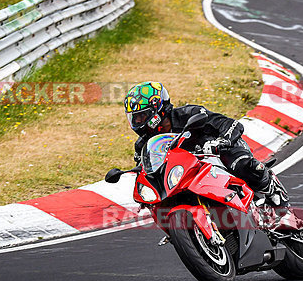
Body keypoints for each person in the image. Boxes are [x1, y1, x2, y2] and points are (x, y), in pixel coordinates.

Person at [123, 81, 287, 210]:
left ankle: (271, 189)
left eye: (142, 116)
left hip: (219, 152)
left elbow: (229, 124)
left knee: (242, 165)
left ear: (158, 108)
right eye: (135, 118)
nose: (138, 122)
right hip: (189, 171)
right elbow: (145, 168)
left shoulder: (189, 114)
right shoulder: (143, 144)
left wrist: (223, 141)